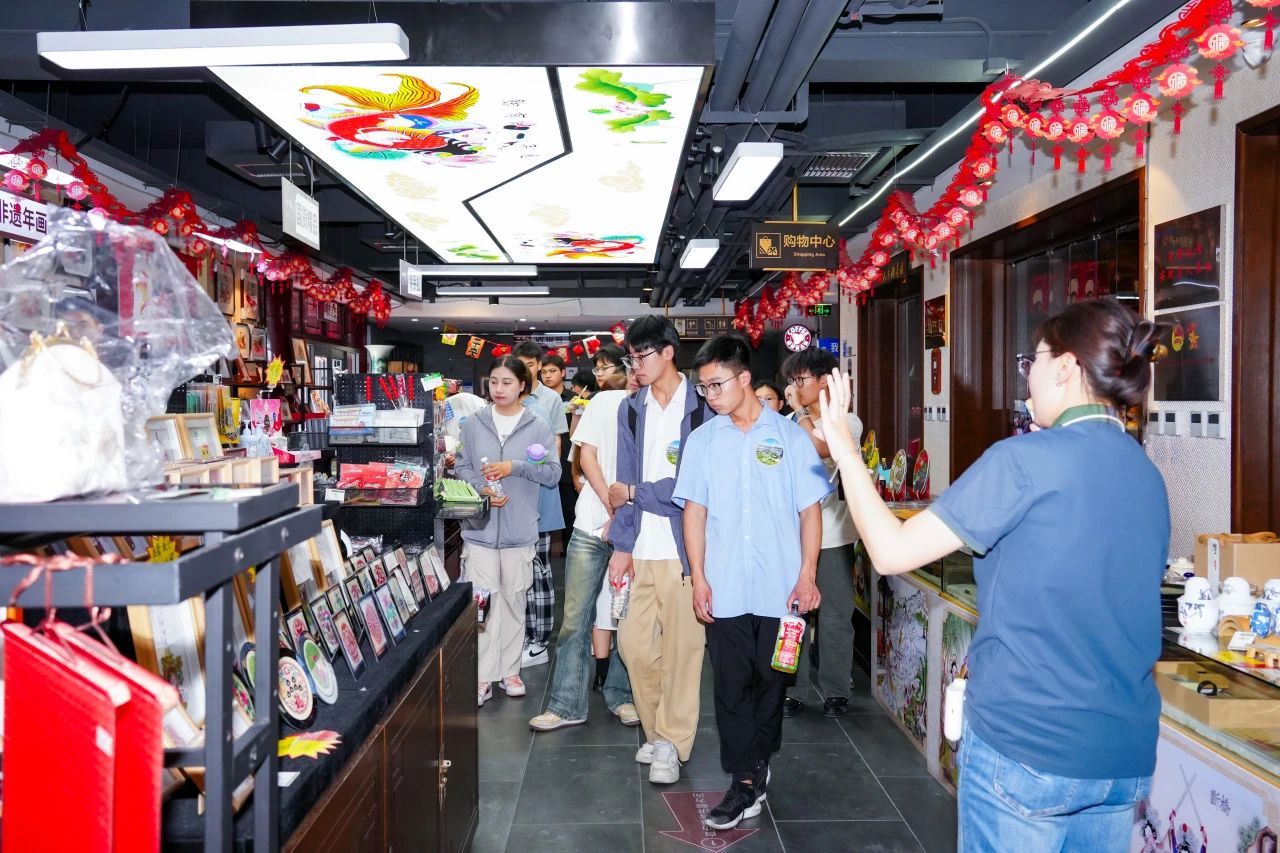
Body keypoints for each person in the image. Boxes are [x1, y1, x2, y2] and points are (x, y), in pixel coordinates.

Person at [818, 300, 1170, 851]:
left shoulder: (1023, 460)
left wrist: (843, 448)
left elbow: (889, 551)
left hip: (1028, 741)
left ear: (1066, 367)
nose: (1026, 375)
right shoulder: (1145, 472)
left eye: (1034, 359)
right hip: (1121, 752)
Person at [673, 334, 830, 829]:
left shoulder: (791, 437)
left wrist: (807, 575)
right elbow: (694, 513)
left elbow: (810, 510)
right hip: (724, 588)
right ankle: (743, 780)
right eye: (704, 388)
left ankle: (758, 762)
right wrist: (699, 578)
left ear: (744, 378)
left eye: (717, 385)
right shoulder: (703, 441)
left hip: (782, 591)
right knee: (730, 687)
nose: (710, 396)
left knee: (773, 681)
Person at [607, 315, 714, 785]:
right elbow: (621, 480)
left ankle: (671, 741)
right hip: (640, 548)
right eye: (630, 358)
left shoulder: (704, 408)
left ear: (669, 352)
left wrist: (636, 493)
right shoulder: (631, 408)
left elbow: (691, 490)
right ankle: (657, 733)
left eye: (642, 356)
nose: (635, 365)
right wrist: (622, 544)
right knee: (633, 648)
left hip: (686, 551)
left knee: (683, 653)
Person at [529, 344, 640, 733]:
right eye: (633, 364)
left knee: (627, 619)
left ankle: (623, 696)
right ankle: (566, 704)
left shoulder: (661, 410)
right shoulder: (604, 402)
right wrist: (613, 507)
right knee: (575, 619)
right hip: (592, 526)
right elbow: (585, 457)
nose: (637, 372)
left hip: (637, 532)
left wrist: (624, 517)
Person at [454, 357, 562, 707]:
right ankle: (484, 676)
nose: (499, 389)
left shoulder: (537, 424)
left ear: (522, 386)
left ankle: (510, 671)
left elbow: (552, 473)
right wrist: (480, 488)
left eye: (507, 382)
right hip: (479, 530)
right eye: (494, 381)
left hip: (520, 531)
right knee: (483, 604)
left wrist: (515, 467)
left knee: (515, 600)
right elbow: (462, 466)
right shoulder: (474, 423)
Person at [779, 347, 864, 718]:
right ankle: (791, 688)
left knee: (834, 615)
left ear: (825, 381)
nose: (794, 387)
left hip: (833, 534)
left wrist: (799, 413)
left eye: (801, 379)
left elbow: (823, 449)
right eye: (792, 381)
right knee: (792, 615)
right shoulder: (786, 421)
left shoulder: (846, 421)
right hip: (792, 534)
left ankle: (836, 689)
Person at [513, 342, 570, 668]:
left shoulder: (548, 402)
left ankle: (539, 641)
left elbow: (556, 444)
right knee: (516, 572)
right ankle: (519, 635)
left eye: (531, 363)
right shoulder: (507, 399)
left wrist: (549, 473)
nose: (526, 369)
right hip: (512, 498)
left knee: (539, 570)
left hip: (541, 494)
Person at [542, 353, 581, 545]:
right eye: (544, 372)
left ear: (563, 373)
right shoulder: (535, 399)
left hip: (567, 462)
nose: (547, 375)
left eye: (552, 371)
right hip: (541, 461)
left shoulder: (575, 399)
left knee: (570, 513)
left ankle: (569, 554)